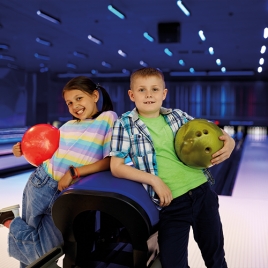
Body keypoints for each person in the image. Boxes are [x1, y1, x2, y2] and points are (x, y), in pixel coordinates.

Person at [109, 67, 235, 268]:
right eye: (142, 90)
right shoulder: (124, 125)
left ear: (164, 93)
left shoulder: (177, 116)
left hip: (203, 194)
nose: (149, 94)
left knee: (216, 257)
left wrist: (230, 142)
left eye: (155, 89)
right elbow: (116, 166)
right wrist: (153, 180)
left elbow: (213, 132)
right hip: (171, 205)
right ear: (132, 95)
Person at [0, 76, 118, 267]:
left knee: (45, 253)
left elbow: (109, 161)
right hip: (41, 183)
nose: (74, 106)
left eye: (79, 98)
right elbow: (51, 155)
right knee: (32, 251)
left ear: (95, 95)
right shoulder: (67, 126)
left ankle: (10, 222)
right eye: (69, 102)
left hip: (66, 193)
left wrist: (74, 173)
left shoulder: (108, 119)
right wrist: (22, 149)